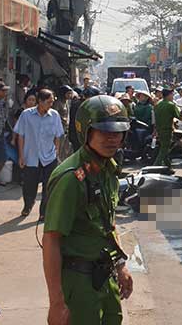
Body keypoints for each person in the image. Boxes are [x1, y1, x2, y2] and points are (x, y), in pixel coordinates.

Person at [42, 95, 133, 324]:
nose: (112, 139)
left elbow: (108, 223)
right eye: (104, 132)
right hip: (79, 281)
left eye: (118, 132)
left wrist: (120, 265)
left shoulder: (107, 170)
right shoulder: (71, 178)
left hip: (105, 275)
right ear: (86, 131)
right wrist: (56, 303)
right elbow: (51, 240)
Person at [14, 89, 64, 220]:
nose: (51, 105)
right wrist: (21, 155)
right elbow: (21, 136)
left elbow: (58, 136)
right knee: (29, 185)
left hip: (49, 157)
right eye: (48, 102)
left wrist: (57, 151)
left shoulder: (55, 115)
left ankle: (44, 211)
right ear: (40, 102)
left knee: (49, 186)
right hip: (31, 156)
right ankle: (28, 205)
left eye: (52, 102)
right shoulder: (26, 115)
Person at [153, 89, 181, 168]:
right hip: (167, 130)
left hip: (159, 129)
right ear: (168, 95)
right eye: (172, 94)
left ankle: (168, 167)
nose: (172, 96)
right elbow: (178, 115)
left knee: (164, 148)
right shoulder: (170, 105)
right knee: (164, 149)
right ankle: (155, 166)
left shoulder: (158, 104)